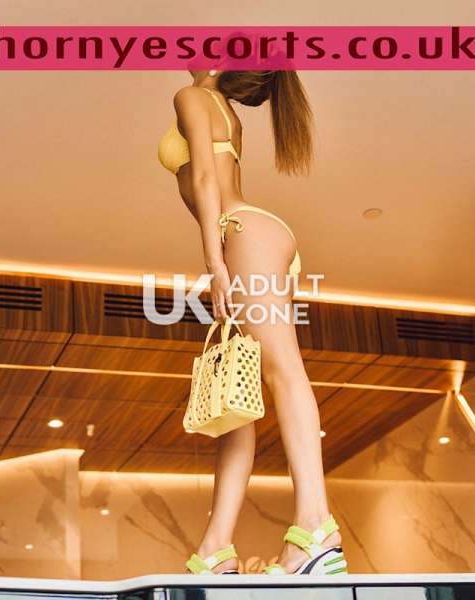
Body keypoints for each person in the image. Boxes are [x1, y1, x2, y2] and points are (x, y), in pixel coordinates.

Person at [158, 69, 348, 576]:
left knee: (283, 371)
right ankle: (215, 548)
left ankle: (316, 527)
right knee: (236, 399)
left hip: (242, 234)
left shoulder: (192, 96)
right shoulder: (223, 109)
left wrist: (215, 262)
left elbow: (204, 179)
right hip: (253, 235)